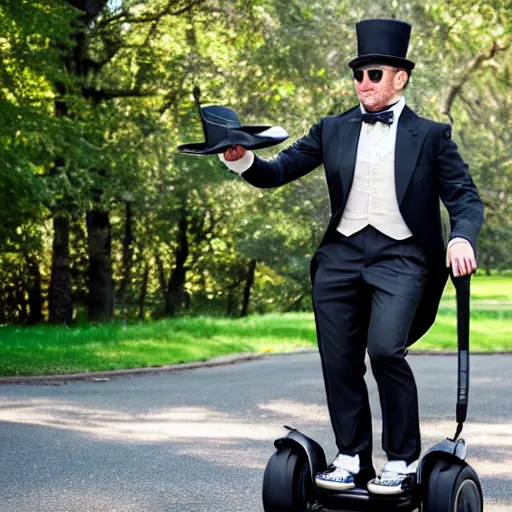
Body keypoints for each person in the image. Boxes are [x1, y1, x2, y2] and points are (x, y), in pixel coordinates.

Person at [218, 18, 484, 495]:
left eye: (374, 74)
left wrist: (462, 238)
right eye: (358, 75)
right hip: (340, 256)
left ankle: (401, 460)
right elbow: (277, 171)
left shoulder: (431, 135)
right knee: (339, 360)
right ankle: (351, 457)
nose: (364, 83)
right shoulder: (332, 128)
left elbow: (465, 198)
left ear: (400, 78)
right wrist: (241, 159)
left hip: (401, 258)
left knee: (384, 350)